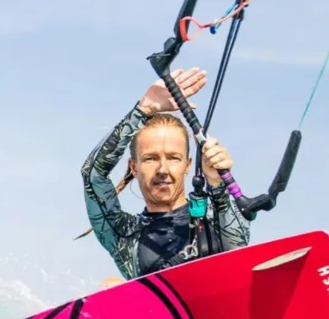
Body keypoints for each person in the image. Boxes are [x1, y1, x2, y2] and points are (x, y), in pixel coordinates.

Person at [81, 67, 250, 281]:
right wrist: (142, 111)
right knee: (109, 285)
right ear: (134, 167)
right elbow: (92, 175)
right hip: (159, 312)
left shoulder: (213, 214)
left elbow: (240, 251)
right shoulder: (123, 234)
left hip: (222, 311)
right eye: (151, 158)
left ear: (188, 165)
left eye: (173, 158)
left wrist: (217, 184)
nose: (163, 169)